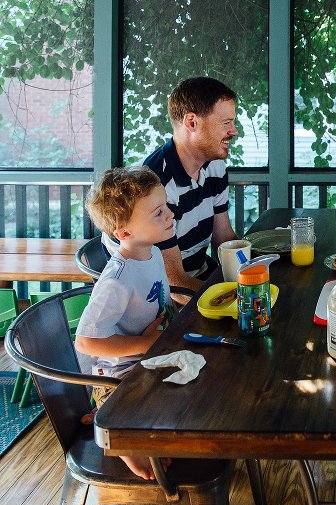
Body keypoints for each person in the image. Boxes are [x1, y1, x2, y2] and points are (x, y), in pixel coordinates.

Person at [76, 167, 176, 480]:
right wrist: (147, 344)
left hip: (150, 359)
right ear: (124, 232)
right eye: (158, 212)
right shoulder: (117, 280)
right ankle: (118, 438)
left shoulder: (154, 254)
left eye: (166, 206)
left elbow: (162, 305)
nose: (170, 214)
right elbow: (85, 342)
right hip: (119, 378)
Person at [102, 76, 239, 293]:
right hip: (151, 296)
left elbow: (224, 239)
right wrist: (240, 300)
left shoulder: (215, 167)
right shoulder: (155, 187)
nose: (234, 131)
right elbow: (173, 282)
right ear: (191, 122)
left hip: (196, 275)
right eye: (226, 123)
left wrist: (254, 271)